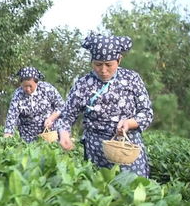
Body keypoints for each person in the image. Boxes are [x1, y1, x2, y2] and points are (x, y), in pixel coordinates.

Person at [55, 33, 153, 177]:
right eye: (98, 64)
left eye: (109, 64)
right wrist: (64, 134)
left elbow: (146, 112)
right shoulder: (83, 84)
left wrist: (129, 123)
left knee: (132, 187)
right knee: (101, 192)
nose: (103, 70)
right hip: (96, 148)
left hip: (128, 145)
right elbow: (66, 116)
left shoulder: (131, 79)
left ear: (119, 60)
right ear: (92, 62)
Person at [3, 67, 64, 143]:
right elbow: (11, 117)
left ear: (36, 82)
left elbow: (61, 106)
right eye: (25, 86)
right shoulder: (18, 95)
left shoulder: (47, 89)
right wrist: (7, 137)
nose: (28, 89)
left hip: (50, 132)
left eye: (30, 86)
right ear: (21, 83)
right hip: (28, 134)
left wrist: (51, 118)